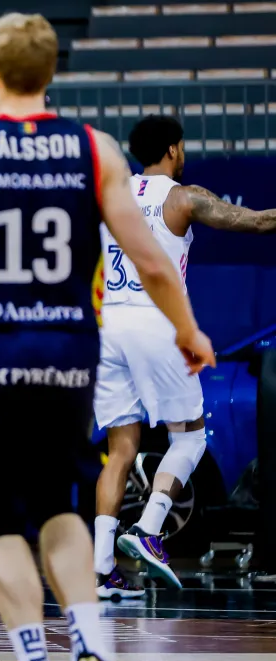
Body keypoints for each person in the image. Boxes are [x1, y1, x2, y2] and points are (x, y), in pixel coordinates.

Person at [0, 13, 214, 661]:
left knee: (0, 523)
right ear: (50, 77)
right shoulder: (96, 150)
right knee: (59, 507)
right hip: (72, 349)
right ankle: (94, 652)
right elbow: (152, 261)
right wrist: (189, 331)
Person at [93, 115, 276, 598]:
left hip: (108, 326)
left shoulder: (110, 196)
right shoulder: (182, 197)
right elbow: (258, 222)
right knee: (190, 439)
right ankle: (149, 530)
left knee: (120, 451)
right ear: (173, 150)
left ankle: (102, 570)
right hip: (154, 321)